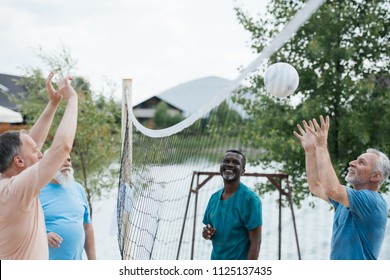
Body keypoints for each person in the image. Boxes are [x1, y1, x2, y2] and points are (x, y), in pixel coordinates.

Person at [0, 72, 78, 259]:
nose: (41, 153)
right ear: (18, 162)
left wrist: (53, 103)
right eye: (36, 152)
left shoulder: (8, 181)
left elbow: (30, 145)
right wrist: (72, 99)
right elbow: (62, 147)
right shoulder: (14, 190)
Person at [294, 115, 389, 260]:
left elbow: (332, 188)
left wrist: (321, 146)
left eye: (361, 162)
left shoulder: (372, 202)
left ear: (375, 176)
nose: (352, 163)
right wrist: (309, 151)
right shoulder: (347, 200)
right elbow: (316, 186)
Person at [202, 149, 262, 260]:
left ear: (243, 171)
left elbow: (256, 242)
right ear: (220, 166)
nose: (230, 165)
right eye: (226, 161)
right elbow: (210, 230)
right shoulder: (214, 198)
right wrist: (207, 232)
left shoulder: (250, 200)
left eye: (236, 163)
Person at [39, 153, 96, 260]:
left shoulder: (78, 189)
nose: (67, 164)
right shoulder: (35, 191)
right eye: (61, 159)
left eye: (69, 160)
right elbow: (20, 229)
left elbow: (87, 227)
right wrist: (42, 237)